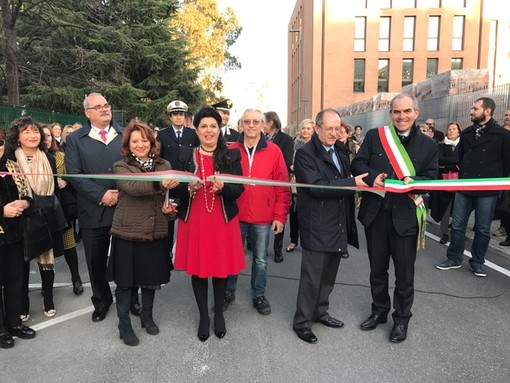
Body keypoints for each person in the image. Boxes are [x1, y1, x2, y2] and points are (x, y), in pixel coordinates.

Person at [351, 93, 438, 343]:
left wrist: (415, 181)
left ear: (416, 113)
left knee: (404, 275)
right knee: (377, 270)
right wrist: (373, 176)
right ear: (391, 114)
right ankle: (378, 311)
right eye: (397, 112)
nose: (402, 117)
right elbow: (357, 164)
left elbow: (432, 179)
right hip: (376, 215)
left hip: (406, 217)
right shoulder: (375, 137)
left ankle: (401, 320)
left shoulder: (429, 145)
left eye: (407, 111)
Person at [292, 109, 368, 344]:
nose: (335, 133)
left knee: (329, 275)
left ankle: (320, 311)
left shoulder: (340, 150)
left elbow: (349, 174)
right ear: (316, 129)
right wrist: (351, 183)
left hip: (337, 220)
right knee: (312, 277)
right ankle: (302, 322)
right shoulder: (305, 154)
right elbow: (316, 186)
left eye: (338, 128)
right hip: (316, 221)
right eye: (329, 129)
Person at [172, 107, 245, 342]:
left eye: (213, 125)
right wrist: (188, 188)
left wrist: (224, 188)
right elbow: (177, 187)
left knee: (220, 267)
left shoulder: (231, 155)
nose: (208, 130)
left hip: (222, 219)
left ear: (219, 128)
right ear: (196, 129)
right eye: (203, 126)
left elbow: (239, 188)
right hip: (195, 219)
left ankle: (219, 315)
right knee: (199, 268)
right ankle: (204, 316)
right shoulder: (185, 155)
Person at [107, 121, 179, 346]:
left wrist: (170, 211)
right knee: (126, 283)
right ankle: (124, 325)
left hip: (155, 233)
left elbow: (166, 197)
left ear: (152, 142)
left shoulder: (164, 164)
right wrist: (161, 184)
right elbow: (133, 188)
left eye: (144, 140)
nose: (140, 145)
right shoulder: (121, 166)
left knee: (150, 281)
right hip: (128, 232)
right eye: (134, 141)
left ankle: (147, 317)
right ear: (128, 144)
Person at [65, 93, 126, 322]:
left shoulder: (125, 134)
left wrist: (122, 192)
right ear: (87, 113)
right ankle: (101, 301)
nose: (104, 109)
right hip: (93, 211)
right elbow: (74, 175)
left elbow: (135, 167)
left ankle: (130, 299)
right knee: (95, 261)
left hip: (124, 209)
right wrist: (101, 195)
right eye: (97, 106)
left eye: (106, 105)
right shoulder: (75, 140)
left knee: (126, 258)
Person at [224, 109, 291, 315]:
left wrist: (280, 216)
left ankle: (258, 294)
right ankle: (228, 292)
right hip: (236, 214)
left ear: (263, 125)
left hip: (263, 217)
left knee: (260, 259)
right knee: (232, 257)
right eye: (247, 122)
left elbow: (282, 185)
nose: (251, 125)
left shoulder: (274, 151)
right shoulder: (230, 149)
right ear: (241, 125)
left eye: (255, 121)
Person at [436, 97, 510, 277]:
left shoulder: (503, 135)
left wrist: (499, 185)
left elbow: (507, 163)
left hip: (488, 190)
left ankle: (477, 262)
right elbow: (461, 158)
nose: (471, 111)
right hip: (465, 187)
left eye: (475, 108)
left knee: (483, 228)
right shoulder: (467, 134)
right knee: (458, 225)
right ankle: (453, 258)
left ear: (487, 111)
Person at [6, 117, 66, 320]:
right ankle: (23, 305)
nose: (32, 135)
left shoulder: (48, 158)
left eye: (35, 131)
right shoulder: (9, 159)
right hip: (20, 219)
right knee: (21, 263)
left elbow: (55, 193)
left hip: (46, 216)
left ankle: (48, 299)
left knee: (47, 261)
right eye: (26, 132)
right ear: (18, 137)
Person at [0, 127, 37, 349]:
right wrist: (2, 211)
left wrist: (24, 203)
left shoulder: (12, 165)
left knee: (15, 281)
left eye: (1, 144)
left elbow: (27, 195)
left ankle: (14, 323)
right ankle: (1, 328)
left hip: (15, 234)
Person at [43, 126, 83, 295]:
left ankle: (76, 278)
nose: (46, 139)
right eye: (43, 136)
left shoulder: (60, 156)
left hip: (62, 209)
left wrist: (65, 180)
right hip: (42, 211)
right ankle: (47, 287)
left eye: (48, 136)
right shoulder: (31, 159)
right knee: (45, 250)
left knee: (69, 245)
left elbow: (73, 175)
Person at [157, 100, 198, 253]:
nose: (178, 117)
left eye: (181, 114)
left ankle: (185, 250)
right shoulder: (162, 134)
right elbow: (159, 158)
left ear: (185, 116)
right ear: (170, 117)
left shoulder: (192, 134)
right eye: (175, 115)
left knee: (188, 218)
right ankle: (167, 252)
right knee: (169, 218)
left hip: (188, 183)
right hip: (171, 184)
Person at [263, 111, 294, 263]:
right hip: (263, 185)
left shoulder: (286, 140)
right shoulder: (259, 139)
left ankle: (277, 250)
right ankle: (258, 247)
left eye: (262, 122)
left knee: (279, 217)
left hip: (279, 183)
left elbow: (287, 161)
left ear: (270, 123)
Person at [429, 122, 462, 245]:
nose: (452, 131)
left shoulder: (463, 146)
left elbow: (464, 159)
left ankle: (458, 232)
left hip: (461, 182)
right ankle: (444, 233)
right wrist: (456, 162)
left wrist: (448, 164)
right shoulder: (441, 146)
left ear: (459, 131)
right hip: (445, 181)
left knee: (460, 208)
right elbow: (440, 160)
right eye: (449, 129)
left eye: (454, 129)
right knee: (445, 209)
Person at [286, 118, 314, 253]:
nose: (305, 131)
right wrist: (292, 167)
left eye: (308, 128)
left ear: (313, 131)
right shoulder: (293, 144)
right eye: (303, 128)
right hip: (295, 183)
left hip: (310, 183)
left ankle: (308, 242)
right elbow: (288, 161)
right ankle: (293, 240)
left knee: (309, 214)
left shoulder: (316, 145)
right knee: (294, 213)